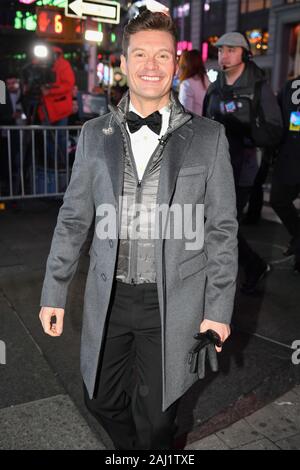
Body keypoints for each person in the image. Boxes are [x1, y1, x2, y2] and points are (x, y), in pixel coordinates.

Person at [39, 10, 238, 450]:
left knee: (158, 419)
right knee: (100, 401)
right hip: (110, 296)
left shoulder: (210, 137)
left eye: (162, 55)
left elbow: (223, 229)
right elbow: (73, 219)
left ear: (175, 62)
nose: (152, 64)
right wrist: (54, 290)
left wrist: (218, 308)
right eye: (141, 54)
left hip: (175, 302)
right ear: (124, 63)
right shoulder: (94, 135)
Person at [203, 32, 283, 294]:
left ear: (245, 54)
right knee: (215, 223)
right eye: (221, 50)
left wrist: (246, 131)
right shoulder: (215, 87)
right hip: (217, 163)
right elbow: (206, 121)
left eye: (231, 50)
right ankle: (250, 266)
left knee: (223, 223)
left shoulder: (259, 86)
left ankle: (247, 268)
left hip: (246, 166)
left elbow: (274, 128)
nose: (223, 55)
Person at [270, 75, 300, 274]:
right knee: (279, 200)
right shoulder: (290, 86)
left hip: (290, 153)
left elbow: (277, 120)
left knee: (279, 200)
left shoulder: (290, 85)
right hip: (291, 154)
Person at [178, 49, 209, 116]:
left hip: (194, 124)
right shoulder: (206, 80)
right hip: (206, 122)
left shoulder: (187, 84)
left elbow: (185, 114)